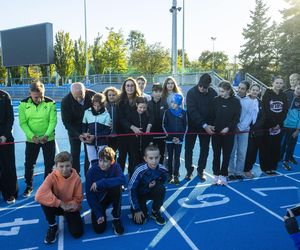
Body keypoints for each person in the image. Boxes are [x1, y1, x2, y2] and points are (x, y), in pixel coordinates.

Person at [18, 80, 57, 197]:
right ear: (30, 93)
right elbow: (23, 123)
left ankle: (47, 187)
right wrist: (32, 136)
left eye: (41, 97)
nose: (38, 99)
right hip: (32, 139)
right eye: (35, 97)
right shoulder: (23, 104)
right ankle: (29, 186)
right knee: (29, 163)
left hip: (48, 138)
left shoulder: (51, 103)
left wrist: (46, 135)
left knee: (49, 164)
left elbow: (53, 121)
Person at [35, 151, 84, 244]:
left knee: (77, 233)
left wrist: (72, 205)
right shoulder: (51, 176)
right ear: (56, 166)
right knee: (44, 199)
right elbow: (38, 195)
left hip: (70, 207)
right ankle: (53, 225)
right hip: (57, 205)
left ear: (71, 165)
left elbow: (78, 198)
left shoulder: (76, 178)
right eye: (61, 166)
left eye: (67, 166)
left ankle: (68, 216)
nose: (64, 169)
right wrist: (60, 204)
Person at [86, 147, 125, 235]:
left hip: (111, 195)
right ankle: (99, 211)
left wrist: (102, 182)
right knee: (99, 229)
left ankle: (116, 218)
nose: (102, 164)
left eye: (105, 161)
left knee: (117, 187)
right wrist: (98, 213)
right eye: (100, 160)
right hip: (99, 199)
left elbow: (122, 179)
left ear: (111, 162)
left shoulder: (115, 167)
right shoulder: (91, 172)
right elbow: (90, 195)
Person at [185, 73, 217, 181]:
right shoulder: (191, 93)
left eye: (205, 87)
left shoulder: (213, 93)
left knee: (205, 149)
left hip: (207, 126)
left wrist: (212, 125)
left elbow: (215, 111)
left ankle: (201, 170)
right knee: (188, 149)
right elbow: (192, 111)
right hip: (193, 126)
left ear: (209, 86)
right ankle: (189, 171)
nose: (202, 88)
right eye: (200, 86)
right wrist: (204, 125)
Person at [61, 82, 96, 175]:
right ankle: (75, 176)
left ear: (85, 90)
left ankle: (88, 174)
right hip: (74, 131)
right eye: (76, 97)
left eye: (81, 95)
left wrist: (89, 132)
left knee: (89, 154)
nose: (79, 99)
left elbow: (99, 114)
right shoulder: (65, 101)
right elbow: (67, 122)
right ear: (71, 93)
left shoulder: (93, 96)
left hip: (89, 130)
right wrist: (78, 134)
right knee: (74, 154)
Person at [210, 81, 241, 185]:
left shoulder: (236, 101)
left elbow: (236, 118)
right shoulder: (215, 100)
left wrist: (228, 128)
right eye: (219, 91)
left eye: (223, 91)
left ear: (228, 91)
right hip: (216, 133)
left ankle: (223, 175)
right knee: (216, 154)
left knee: (227, 155)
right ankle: (215, 175)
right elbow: (211, 116)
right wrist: (212, 126)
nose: (220, 93)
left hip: (229, 133)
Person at [128, 145, 168, 225]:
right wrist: (137, 209)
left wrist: (155, 184)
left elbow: (162, 181)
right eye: (151, 158)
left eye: (156, 158)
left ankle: (155, 211)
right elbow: (131, 189)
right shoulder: (139, 170)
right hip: (140, 194)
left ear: (160, 157)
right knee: (140, 221)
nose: (154, 161)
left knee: (161, 188)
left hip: (150, 191)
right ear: (145, 159)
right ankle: (138, 207)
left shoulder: (162, 170)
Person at [261, 76, 288, 175]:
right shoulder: (267, 94)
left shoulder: (283, 95)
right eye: (277, 83)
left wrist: (279, 124)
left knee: (276, 147)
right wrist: (273, 124)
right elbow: (266, 110)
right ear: (272, 83)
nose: (279, 85)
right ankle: (265, 167)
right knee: (267, 147)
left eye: (281, 83)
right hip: (268, 126)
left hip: (278, 126)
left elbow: (285, 110)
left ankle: (273, 166)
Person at [229, 81, 254, 180]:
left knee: (242, 152)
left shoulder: (250, 101)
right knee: (231, 151)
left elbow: (249, 116)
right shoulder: (233, 98)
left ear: (247, 90)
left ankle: (239, 172)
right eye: (239, 87)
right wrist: (234, 126)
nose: (240, 90)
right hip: (232, 129)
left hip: (244, 131)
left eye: (242, 88)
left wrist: (241, 127)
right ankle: (230, 171)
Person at [116, 77, 141, 172]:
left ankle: (132, 180)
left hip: (135, 135)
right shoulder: (119, 101)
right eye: (128, 85)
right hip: (122, 134)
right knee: (121, 158)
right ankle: (119, 182)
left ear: (135, 87)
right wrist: (132, 127)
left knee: (134, 158)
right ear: (124, 87)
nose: (130, 88)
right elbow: (121, 119)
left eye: (132, 85)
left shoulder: (139, 99)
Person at [162, 93, 187, 184]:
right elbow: (164, 125)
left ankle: (176, 175)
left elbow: (185, 126)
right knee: (169, 157)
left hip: (179, 141)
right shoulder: (167, 112)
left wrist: (179, 138)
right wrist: (170, 137)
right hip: (169, 140)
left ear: (179, 103)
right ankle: (170, 175)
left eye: (175, 103)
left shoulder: (183, 113)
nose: (173, 104)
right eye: (172, 102)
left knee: (177, 158)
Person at [82, 93, 111, 165]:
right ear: (92, 104)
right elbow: (84, 126)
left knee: (102, 162)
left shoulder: (107, 115)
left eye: (99, 106)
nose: (96, 108)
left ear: (102, 104)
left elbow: (107, 131)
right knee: (92, 162)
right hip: (90, 142)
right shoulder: (87, 112)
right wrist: (84, 133)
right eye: (95, 105)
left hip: (102, 142)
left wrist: (95, 136)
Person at [0, 90, 18, 204]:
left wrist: (4, 135)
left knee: (8, 166)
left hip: (5, 138)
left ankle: (10, 193)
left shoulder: (4, 96)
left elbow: (10, 118)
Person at [244, 84, 264, 179]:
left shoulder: (260, 102)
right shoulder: (244, 100)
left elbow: (262, 117)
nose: (255, 92)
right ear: (250, 90)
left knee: (252, 151)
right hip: (243, 130)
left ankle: (248, 169)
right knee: (242, 151)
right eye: (253, 90)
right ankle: (237, 170)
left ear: (259, 91)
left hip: (256, 131)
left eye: (257, 90)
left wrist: (255, 127)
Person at [128, 97, 152, 177]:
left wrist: (148, 128)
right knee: (133, 161)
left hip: (145, 143)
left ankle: (143, 177)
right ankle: (132, 177)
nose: (142, 109)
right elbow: (126, 124)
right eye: (140, 107)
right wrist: (133, 130)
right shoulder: (131, 114)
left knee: (144, 161)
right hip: (133, 143)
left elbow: (152, 120)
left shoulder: (148, 114)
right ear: (136, 105)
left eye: (144, 107)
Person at [147, 83, 168, 164]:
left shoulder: (164, 103)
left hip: (162, 133)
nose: (158, 93)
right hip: (151, 134)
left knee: (161, 153)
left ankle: (161, 169)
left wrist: (167, 131)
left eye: (160, 91)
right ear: (152, 92)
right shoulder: (148, 104)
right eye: (156, 91)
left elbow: (167, 118)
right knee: (151, 154)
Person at [281, 84, 300, 170]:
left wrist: (297, 129)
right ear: (295, 88)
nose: (299, 90)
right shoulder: (287, 94)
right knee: (282, 144)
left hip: (293, 127)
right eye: (298, 88)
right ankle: (280, 158)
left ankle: (286, 161)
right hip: (283, 125)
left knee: (291, 145)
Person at [103, 86, 120, 151]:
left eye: (113, 95)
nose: (111, 96)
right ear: (106, 96)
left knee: (115, 152)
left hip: (117, 134)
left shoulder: (119, 105)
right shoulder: (104, 106)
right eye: (109, 95)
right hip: (107, 135)